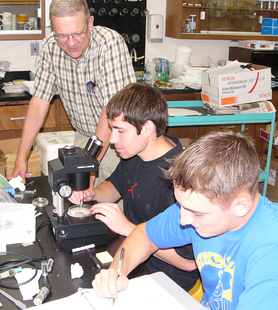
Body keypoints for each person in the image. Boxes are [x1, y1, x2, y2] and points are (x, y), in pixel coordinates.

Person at [92, 129, 278, 310]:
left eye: (197, 213)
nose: (183, 220)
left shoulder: (277, 250)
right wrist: (116, 273)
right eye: (182, 206)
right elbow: (145, 234)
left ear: (241, 206)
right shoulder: (197, 208)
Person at [69, 83, 199, 291]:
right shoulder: (134, 153)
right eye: (112, 130)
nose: (111, 140)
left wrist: (127, 227)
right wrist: (92, 193)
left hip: (167, 278)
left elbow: (189, 264)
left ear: (147, 128)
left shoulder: (181, 177)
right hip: (131, 255)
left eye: (120, 131)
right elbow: (116, 186)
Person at [12, 0, 135, 189]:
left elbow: (113, 108)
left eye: (78, 33)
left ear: (90, 22)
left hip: (116, 138)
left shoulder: (109, 44)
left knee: (110, 204)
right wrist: (21, 157)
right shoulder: (50, 47)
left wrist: (89, 165)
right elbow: (39, 102)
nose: (71, 43)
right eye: (62, 35)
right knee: (78, 202)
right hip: (84, 135)